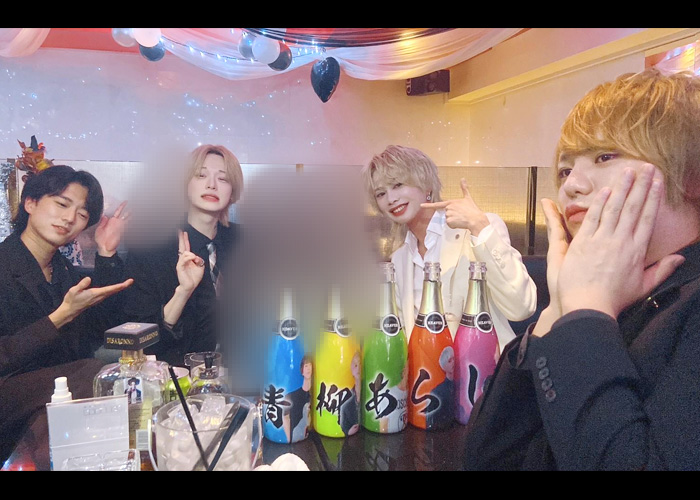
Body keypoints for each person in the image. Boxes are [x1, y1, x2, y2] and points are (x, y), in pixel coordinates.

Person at [462, 67, 700, 471]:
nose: (571, 184)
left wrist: (586, 311)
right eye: (565, 169)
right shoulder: (607, 296)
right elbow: (487, 459)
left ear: (691, 175)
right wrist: (557, 312)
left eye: (604, 156)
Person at [0, 165, 133, 462]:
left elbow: (98, 333)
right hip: (9, 392)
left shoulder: (63, 272)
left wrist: (107, 253)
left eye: (82, 214)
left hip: (51, 400)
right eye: (61, 204)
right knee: (91, 373)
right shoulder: (4, 264)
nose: (70, 218)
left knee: (107, 373)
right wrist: (59, 317)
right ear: (30, 203)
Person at [361, 145, 537, 352]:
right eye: (381, 193)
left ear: (426, 185)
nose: (391, 199)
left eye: (398, 185)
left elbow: (521, 307)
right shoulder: (400, 258)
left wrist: (479, 226)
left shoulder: (478, 230)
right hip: (427, 370)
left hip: (486, 365)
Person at [121, 144, 243, 367]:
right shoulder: (150, 247)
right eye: (201, 175)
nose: (211, 184)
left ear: (233, 192)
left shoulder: (246, 242)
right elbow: (140, 343)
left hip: (244, 370)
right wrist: (183, 292)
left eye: (223, 178)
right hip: (177, 374)